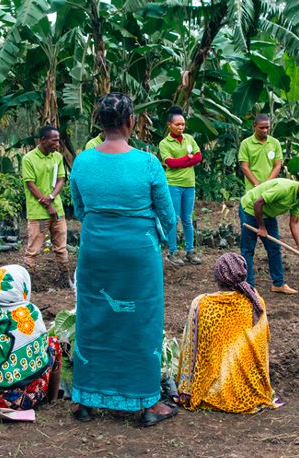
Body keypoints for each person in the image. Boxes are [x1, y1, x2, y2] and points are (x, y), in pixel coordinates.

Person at [69, 92, 178, 427]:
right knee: (140, 320)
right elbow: (169, 216)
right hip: (138, 254)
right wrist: (162, 239)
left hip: (96, 249)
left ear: (99, 123)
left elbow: (79, 209)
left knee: (93, 316)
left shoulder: (82, 161)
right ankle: (146, 403)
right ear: (130, 122)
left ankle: (85, 399)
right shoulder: (147, 163)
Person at [176, 252, 284, 413]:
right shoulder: (256, 302)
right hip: (252, 389)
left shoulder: (203, 304)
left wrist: (186, 389)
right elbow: (263, 345)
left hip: (214, 392)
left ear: (218, 277)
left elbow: (191, 348)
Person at [0, 265, 61, 411]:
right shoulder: (29, 313)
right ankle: (53, 400)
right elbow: (41, 352)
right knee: (53, 344)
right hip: (25, 400)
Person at [238, 176, 299, 295]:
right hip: (250, 209)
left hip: (268, 214)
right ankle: (249, 288)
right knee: (248, 249)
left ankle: (278, 284)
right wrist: (261, 227)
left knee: (274, 248)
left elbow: (294, 222)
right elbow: (258, 203)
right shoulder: (284, 188)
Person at [21, 125, 71, 288]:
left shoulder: (57, 157)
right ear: (43, 140)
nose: (57, 144)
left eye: (58, 141)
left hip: (57, 210)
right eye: (54, 140)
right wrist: (46, 203)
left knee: (61, 247)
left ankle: (65, 278)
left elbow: (61, 179)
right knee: (33, 250)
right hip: (38, 213)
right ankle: (30, 282)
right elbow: (30, 184)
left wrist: (51, 197)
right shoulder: (29, 159)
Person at [159, 106, 203, 267]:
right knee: (174, 218)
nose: (181, 127)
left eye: (183, 124)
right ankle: (172, 252)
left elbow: (198, 157)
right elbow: (170, 163)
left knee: (187, 219)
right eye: (177, 124)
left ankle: (190, 251)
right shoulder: (164, 143)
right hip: (173, 184)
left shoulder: (189, 139)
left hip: (189, 184)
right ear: (169, 125)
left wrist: (183, 161)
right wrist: (187, 158)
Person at [238, 114, 283, 193]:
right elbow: (245, 167)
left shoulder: (275, 143)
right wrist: (257, 184)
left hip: (270, 188)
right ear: (254, 127)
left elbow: (277, 166)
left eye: (267, 127)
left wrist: (268, 183)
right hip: (252, 189)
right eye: (261, 128)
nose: (265, 130)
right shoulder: (245, 144)